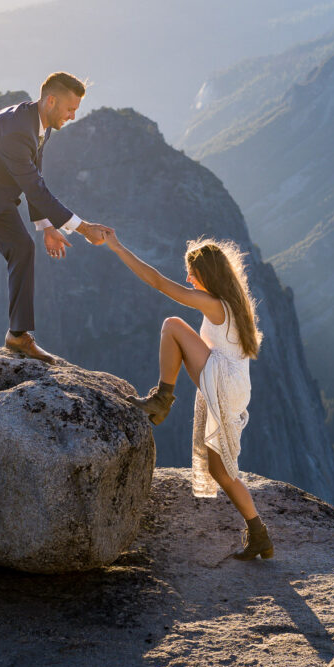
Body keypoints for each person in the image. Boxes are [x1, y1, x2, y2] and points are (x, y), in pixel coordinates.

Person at [103, 231, 273, 560]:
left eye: (192, 274)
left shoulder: (214, 304)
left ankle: (162, 399)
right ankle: (259, 535)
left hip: (223, 380)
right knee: (220, 470)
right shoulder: (233, 303)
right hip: (234, 387)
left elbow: (159, 283)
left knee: (173, 325)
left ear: (205, 275)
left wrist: (118, 246)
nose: (188, 279)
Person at [0, 72, 111, 364]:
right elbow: (34, 187)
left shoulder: (41, 123)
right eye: (70, 109)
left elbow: (34, 174)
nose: (73, 116)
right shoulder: (16, 129)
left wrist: (46, 226)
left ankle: (17, 335)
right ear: (51, 101)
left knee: (22, 248)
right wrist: (84, 228)